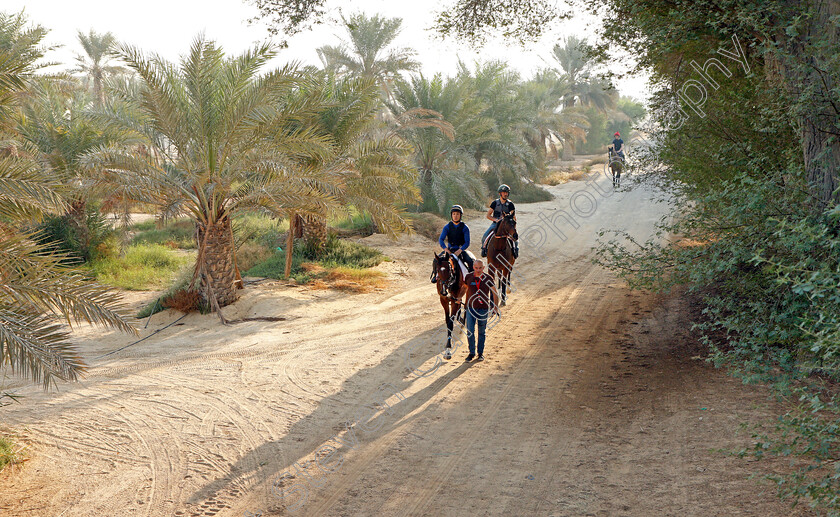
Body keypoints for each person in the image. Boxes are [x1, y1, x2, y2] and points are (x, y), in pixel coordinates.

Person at [463, 259, 499, 362]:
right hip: (471, 308)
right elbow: (465, 289)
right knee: (470, 331)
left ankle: (480, 353)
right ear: (473, 267)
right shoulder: (468, 277)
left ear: (483, 268)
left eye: (480, 268)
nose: (478, 270)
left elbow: (494, 293)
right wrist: (459, 298)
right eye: (476, 268)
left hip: (483, 309)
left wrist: (495, 307)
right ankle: (471, 353)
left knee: (481, 332)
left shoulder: (488, 278)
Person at [431, 204, 474, 283]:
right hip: (449, 250)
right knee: (435, 260)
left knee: (470, 261)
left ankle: (472, 279)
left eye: (457, 214)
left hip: (460, 251)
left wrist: (460, 250)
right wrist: (445, 249)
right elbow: (441, 239)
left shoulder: (465, 227)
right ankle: (435, 275)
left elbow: (467, 242)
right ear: (451, 215)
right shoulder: (447, 227)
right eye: (454, 214)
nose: (455, 216)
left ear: (461, 215)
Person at [481, 184, 518, 258]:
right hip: (496, 224)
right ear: (500, 193)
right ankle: (484, 249)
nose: (506, 194)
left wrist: (513, 227)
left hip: (506, 225)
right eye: (504, 192)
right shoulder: (495, 203)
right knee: (485, 236)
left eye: (507, 192)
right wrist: (496, 220)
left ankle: (515, 250)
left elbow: (513, 217)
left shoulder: (510, 204)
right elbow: (488, 215)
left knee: (515, 239)